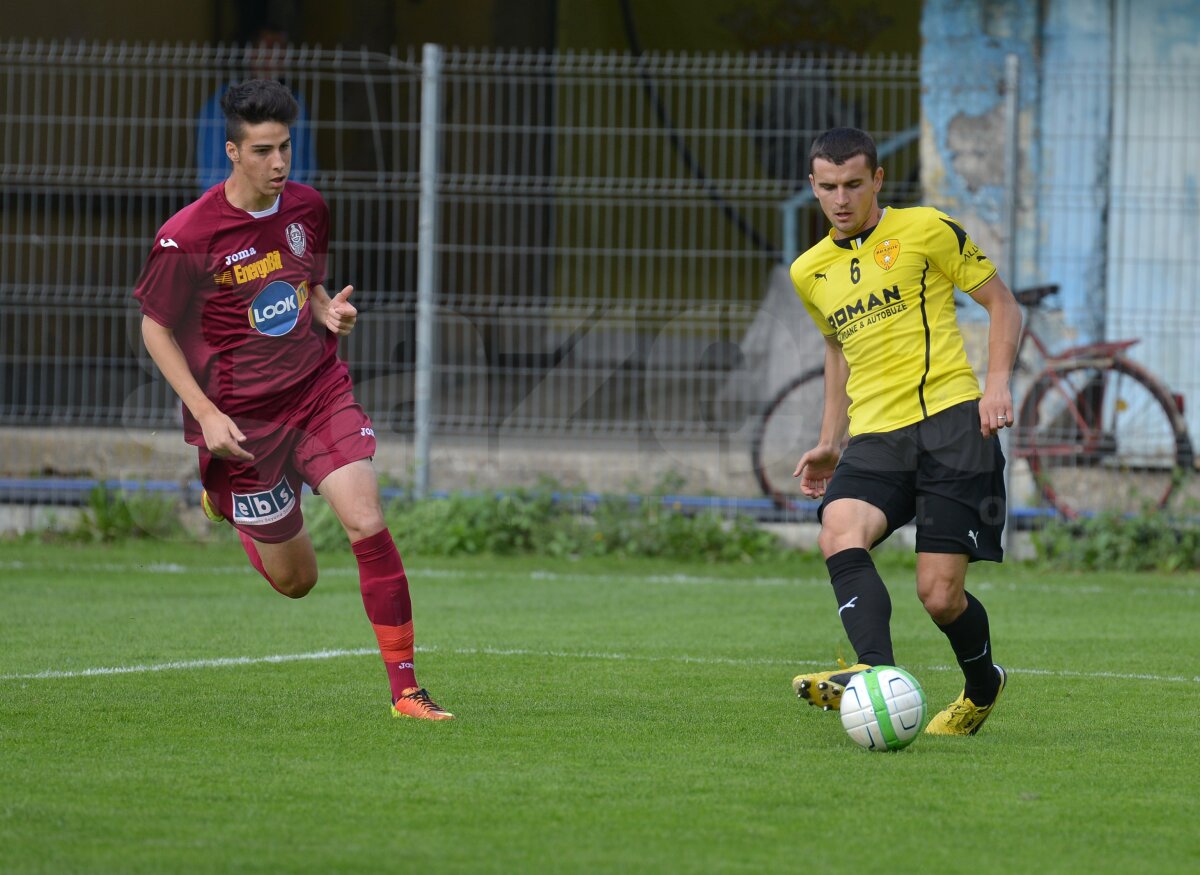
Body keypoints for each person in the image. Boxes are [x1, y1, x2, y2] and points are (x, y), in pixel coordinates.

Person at [134, 79, 453, 721]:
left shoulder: (307, 206)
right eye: (262, 151)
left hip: (315, 391)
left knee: (366, 519)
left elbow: (302, 279)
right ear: (231, 151)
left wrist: (325, 310)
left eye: (285, 147)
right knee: (297, 581)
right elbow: (155, 326)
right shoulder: (187, 235)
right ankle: (228, 499)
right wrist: (205, 413)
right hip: (241, 422)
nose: (278, 164)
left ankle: (406, 692)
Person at [788, 127, 1022, 736]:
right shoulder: (809, 271)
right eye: (829, 187)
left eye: (854, 185)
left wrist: (996, 384)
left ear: (877, 181)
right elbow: (836, 350)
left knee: (939, 596)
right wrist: (830, 441)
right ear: (813, 187)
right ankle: (874, 674)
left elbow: (1003, 304)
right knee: (839, 529)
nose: (842, 199)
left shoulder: (926, 229)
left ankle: (981, 686)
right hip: (876, 436)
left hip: (951, 423)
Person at [196, 27, 316, 192]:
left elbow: (304, 163)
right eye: (268, 48)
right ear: (250, 53)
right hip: (234, 201)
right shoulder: (221, 103)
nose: (275, 57)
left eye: (281, 49)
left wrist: (292, 202)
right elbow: (210, 167)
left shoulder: (296, 103)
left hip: (284, 202)